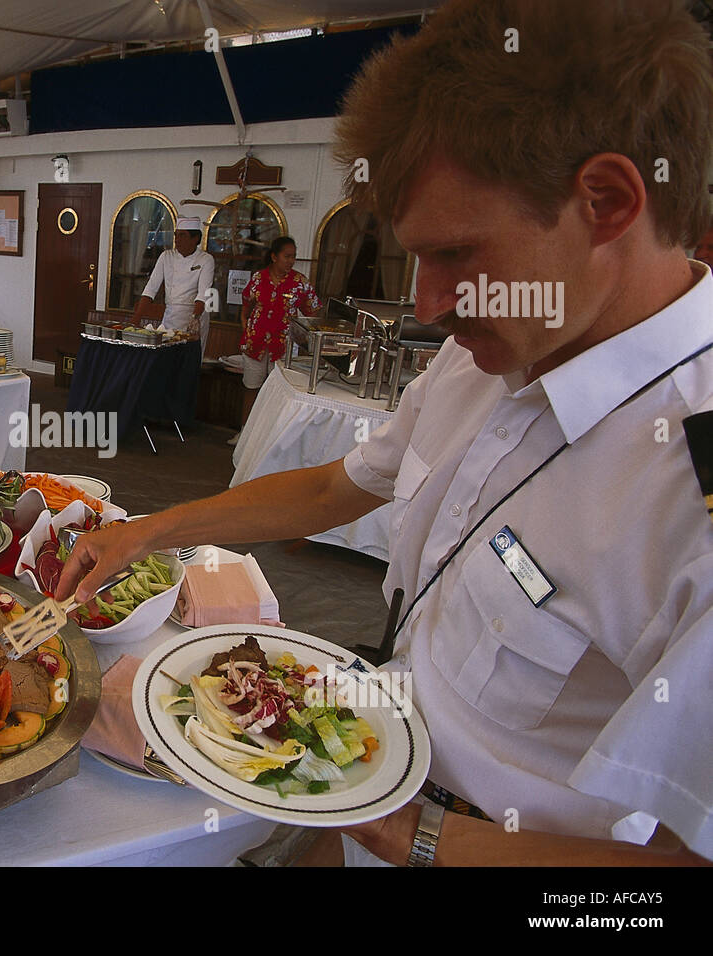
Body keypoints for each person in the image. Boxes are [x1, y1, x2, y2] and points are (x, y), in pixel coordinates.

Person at [59, 0, 713, 866]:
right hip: (367, 790)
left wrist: (413, 834)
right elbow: (338, 488)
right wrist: (148, 532)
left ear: (608, 201)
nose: (432, 308)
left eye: (458, 256)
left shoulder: (687, 494)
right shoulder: (484, 358)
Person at [237, 236, 322, 431]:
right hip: (255, 344)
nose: (291, 261)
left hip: (284, 347)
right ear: (274, 257)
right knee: (251, 388)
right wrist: (246, 325)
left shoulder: (300, 283)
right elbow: (246, 303)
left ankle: (269, 436)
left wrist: (303, 337)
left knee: (277, 393)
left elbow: (313, 312)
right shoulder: (258, 278)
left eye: (294, 257)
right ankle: (244, 432)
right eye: (287, 256)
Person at [132, 217, 215, 355]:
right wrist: (137, 317)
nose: (177, 239)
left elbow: (203, 293)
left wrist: (195, 318)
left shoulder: (206, 259)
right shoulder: (166, 257)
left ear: (195, 239)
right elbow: (151, 288)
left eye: (183, 235)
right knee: (167, 356)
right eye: (176, 235)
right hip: (171, 315)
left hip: (195, 315)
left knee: (189, 359)